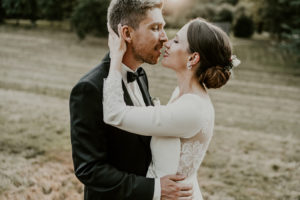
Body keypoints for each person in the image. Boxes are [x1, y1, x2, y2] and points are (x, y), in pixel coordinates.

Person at [103, 18, 240, 200]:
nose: (166, 43)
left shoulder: (191, 109)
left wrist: (116, 58)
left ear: (193, 58)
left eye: (176, 41)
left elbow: (115, 114)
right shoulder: (182, 95)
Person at [69, 0, 193, 199]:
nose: (164, 37)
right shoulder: (89, 89)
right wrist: (155, 189)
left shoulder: (141, 75)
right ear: (127, 33)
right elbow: (89, 169)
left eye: (163, 28)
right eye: (155, 28)